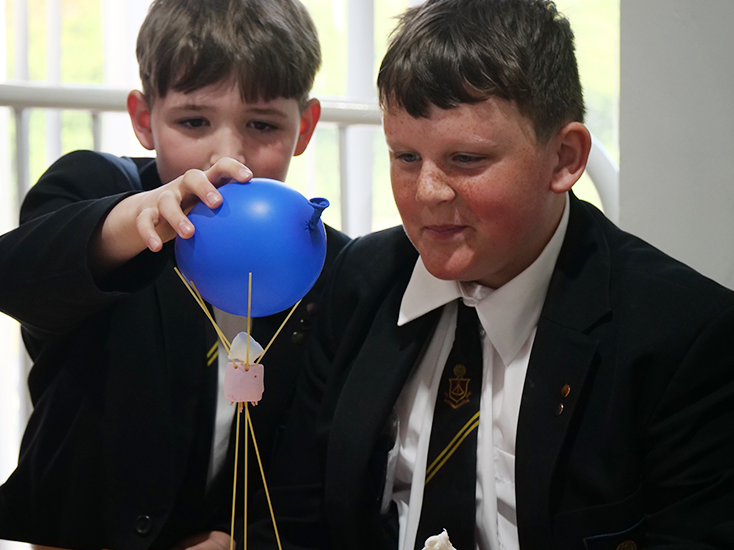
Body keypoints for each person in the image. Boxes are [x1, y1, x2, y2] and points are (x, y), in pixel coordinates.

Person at [252, 0, 734, 549]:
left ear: (564, 158)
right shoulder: (361, 279)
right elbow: (298, 514)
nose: (428, 192)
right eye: (406, 157)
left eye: (466, 159)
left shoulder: (682, 338)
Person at [0, 1, 349, 549]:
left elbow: (315, 458)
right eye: (193, 122)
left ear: (303, 128)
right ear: (144, 119)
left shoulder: (327, 264)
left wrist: (244, 537)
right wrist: (127, 225)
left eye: (262, 125)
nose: (227, 157)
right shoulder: (94, 190)